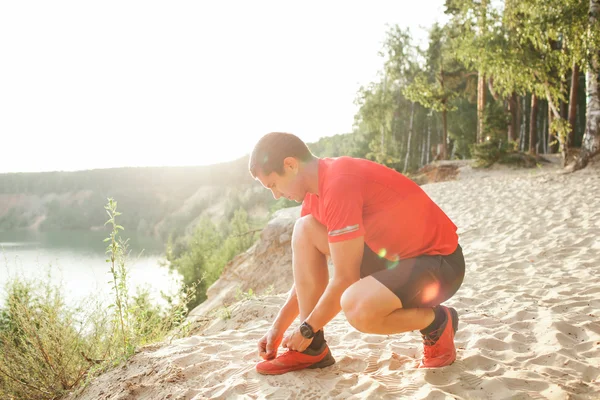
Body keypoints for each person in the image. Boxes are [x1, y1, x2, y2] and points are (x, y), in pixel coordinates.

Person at [248, 132, 465, 375]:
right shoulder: (314, 194)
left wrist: (306, 329)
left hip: (440, 263)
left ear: (290, 165)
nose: (276, 195)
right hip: (395, 261)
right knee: (305, 229)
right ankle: (311, 351)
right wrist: (278, 329)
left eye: (273, 185)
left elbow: (345, 278)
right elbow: (305, 280)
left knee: (357, 307)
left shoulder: (339, 182)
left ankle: (437, 322)